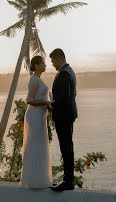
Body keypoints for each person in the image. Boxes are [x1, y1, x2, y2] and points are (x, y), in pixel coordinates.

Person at [20, 55, 52, 188]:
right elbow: (29, 100)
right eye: (43, 63)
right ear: (37, 65)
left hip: (40, 116)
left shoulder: (38, 79)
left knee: (40, 144)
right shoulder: (33, 80)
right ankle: (33, 180)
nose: (45, 65)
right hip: (35, 115)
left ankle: (39, 179)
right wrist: (46, 102)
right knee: (35, 144)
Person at [50, 48, 78, 192]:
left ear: (59, 58)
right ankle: (68, 180)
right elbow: (72, 94)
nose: (52, 64)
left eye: (53, 61)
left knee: (66, 148)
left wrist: (50, 105)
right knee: (67, 147)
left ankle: (68, 181)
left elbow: (63, 97)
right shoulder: (70, 71)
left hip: (64, 116)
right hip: (68, 114)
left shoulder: (63, 74)